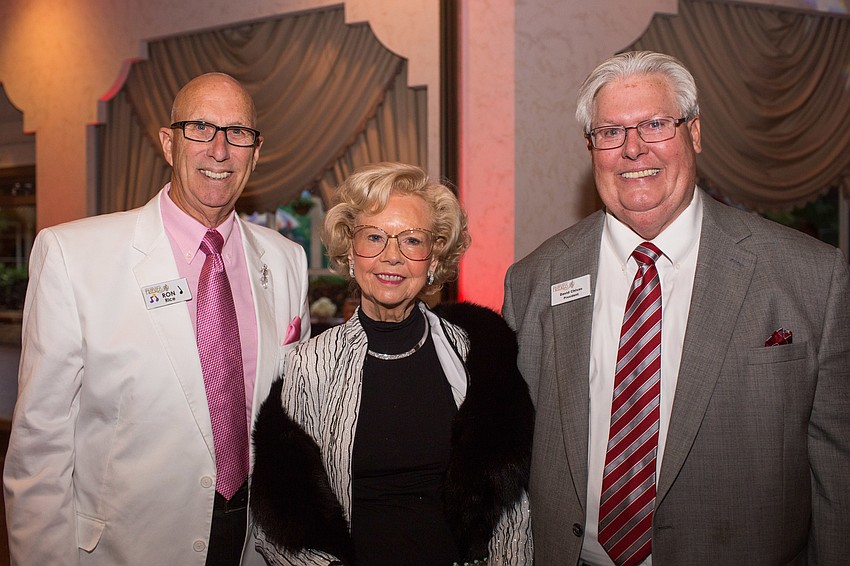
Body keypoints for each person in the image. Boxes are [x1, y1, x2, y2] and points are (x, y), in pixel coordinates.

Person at [503, 50, 850, 565]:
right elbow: (513, 455)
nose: (633, 149)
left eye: (656, 124)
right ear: (591, 148)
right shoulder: (535, 279)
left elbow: (839, 472)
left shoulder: (812, 277)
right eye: (610, 132)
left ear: (695, 134)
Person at [3, 72, 311, 566]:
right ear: (168, 143)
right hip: (125, 547)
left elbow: (290, 417)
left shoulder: (286, 260)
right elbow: (39, 447)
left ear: (255, 152)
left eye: (238, 133)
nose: (219, 149)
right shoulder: (73, 254)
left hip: (256, 543)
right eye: (201, 128)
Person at [249, 161, 534, 566]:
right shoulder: (307, 367)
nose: (392, 256)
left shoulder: (478, 356)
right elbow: (281, 527)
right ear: (350, 252)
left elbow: (511, 509)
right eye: (374, 237)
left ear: (434, 257)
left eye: (412, 240)